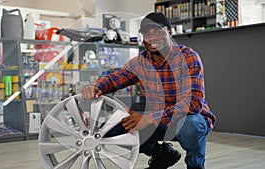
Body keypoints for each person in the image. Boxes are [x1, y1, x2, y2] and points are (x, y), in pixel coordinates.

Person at [81, 12, 216, 169]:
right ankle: (163, 154)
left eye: (158, 31)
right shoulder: (141, 62)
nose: (152, 37)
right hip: (158, 120)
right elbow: (116, 78)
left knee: (190, 125)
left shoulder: (188, 58)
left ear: (170, 32)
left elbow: (193, 103)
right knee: (113, 131)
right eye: (147, 33)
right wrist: (96, 86)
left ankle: (196, 166)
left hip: (188, 119)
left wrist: (149, 118)